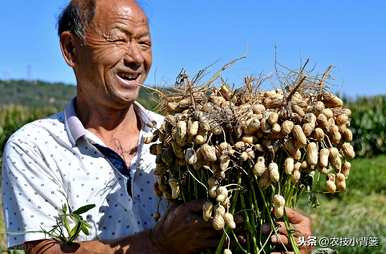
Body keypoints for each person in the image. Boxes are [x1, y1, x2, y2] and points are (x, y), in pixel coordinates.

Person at [2, 0, 312, 253]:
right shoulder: (34, 146)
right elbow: (45, 252)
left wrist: (290, 240)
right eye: (120, 39)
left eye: (144, 43)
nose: (136, 57)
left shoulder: (181, 136)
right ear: (71, 49)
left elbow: (230, 233)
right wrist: (158, 244)